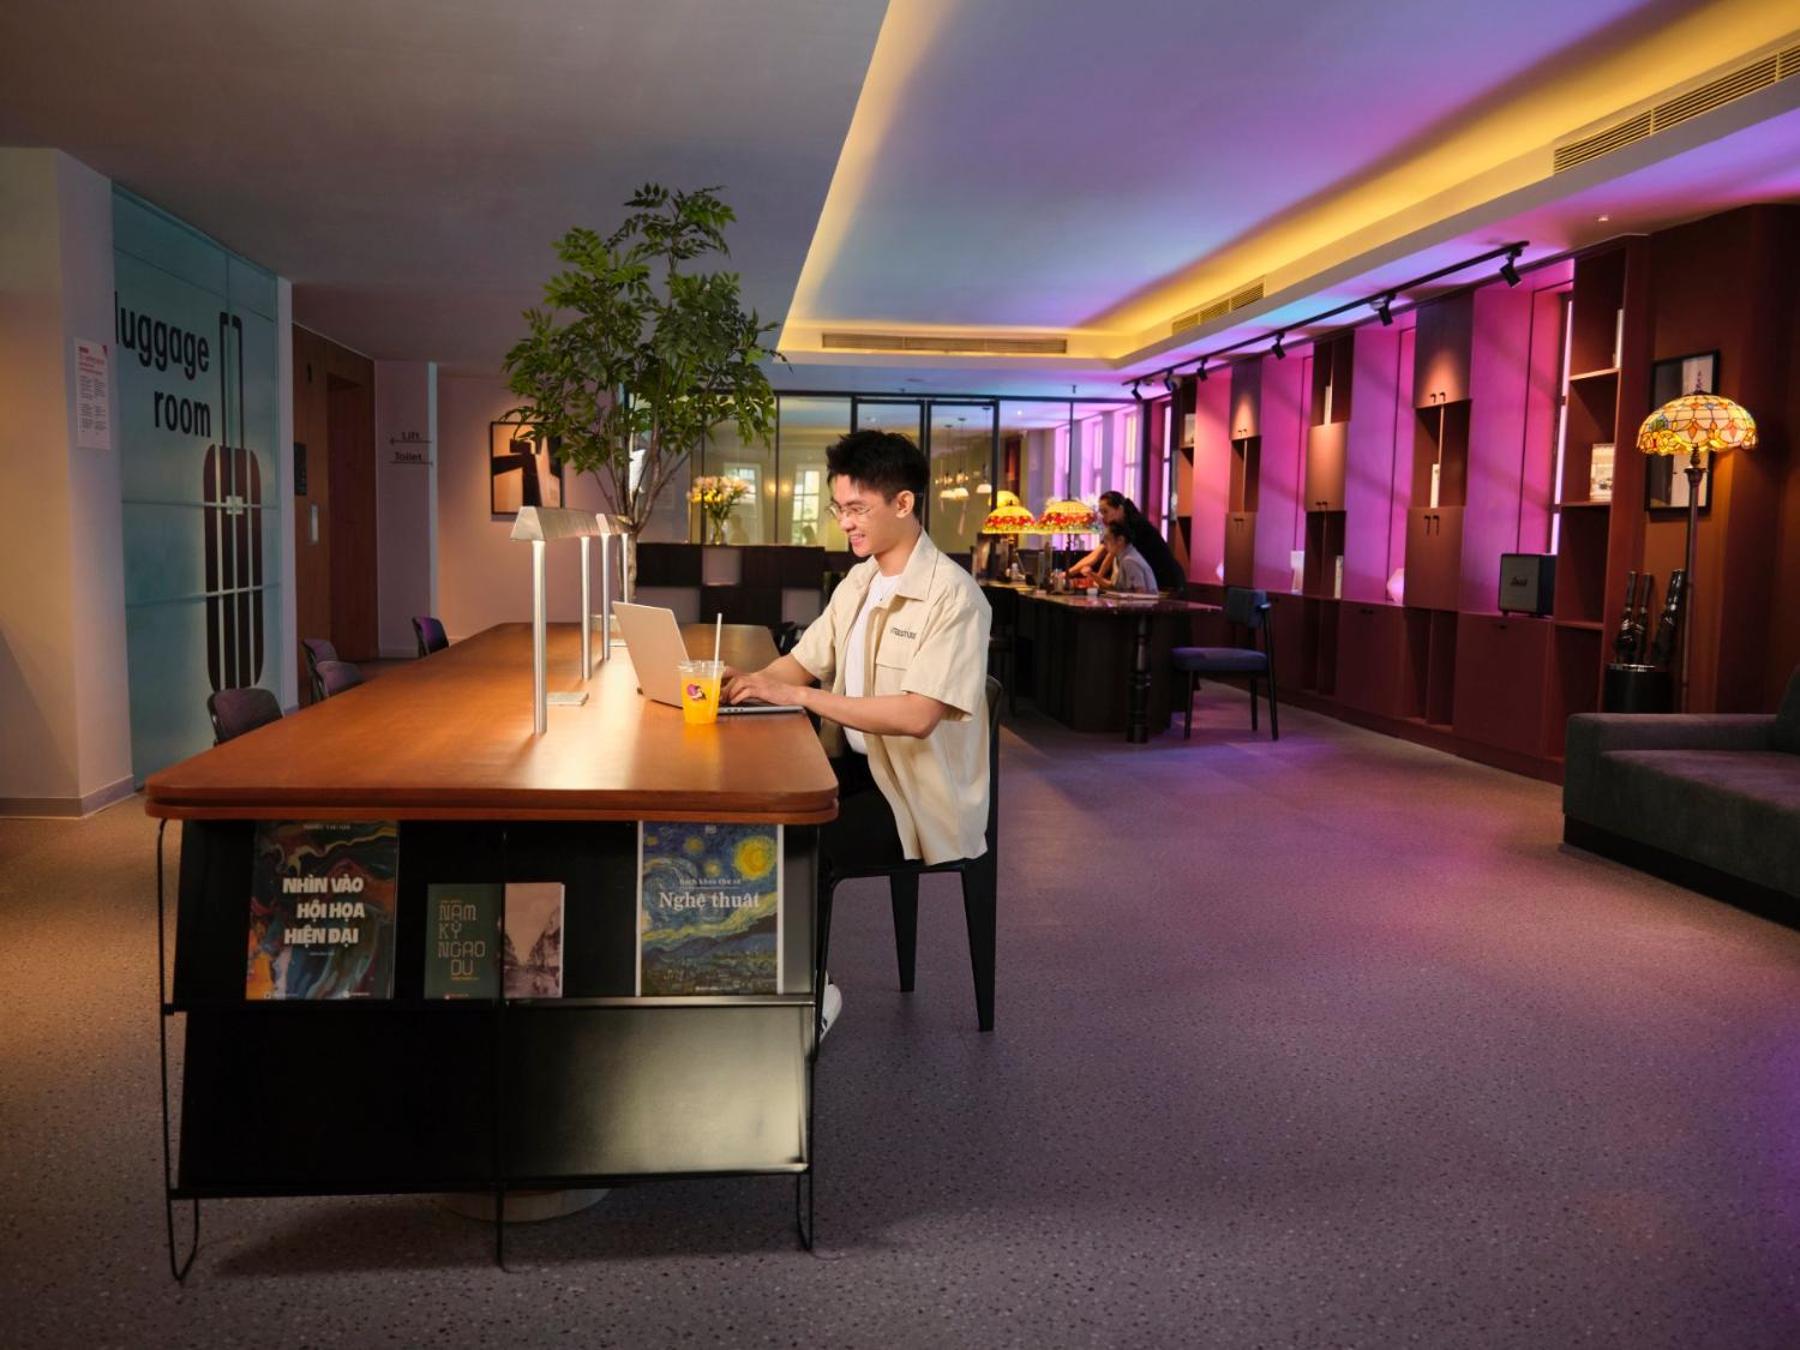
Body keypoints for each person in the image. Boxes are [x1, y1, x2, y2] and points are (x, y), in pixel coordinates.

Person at [723, 430, 993, 1036]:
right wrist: (743, 683)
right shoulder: (861, 581)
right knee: (765, 811)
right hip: (863, 768)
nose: (844, 522)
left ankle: (810, 998)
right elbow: (803, 662)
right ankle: (762, 983)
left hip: (920, 798)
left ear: (904, 503)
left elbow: (916, 716)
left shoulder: (955, 598)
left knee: (802, 840)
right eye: (838, 508)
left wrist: (799, 696)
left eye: (856, 509)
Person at [1068, 492, 1185, 592]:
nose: (1103, 517)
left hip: (1167, 580)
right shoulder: (1119, 528)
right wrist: (1093, 577)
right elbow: (1100, 554)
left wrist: (1096, 577)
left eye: (1105, 511)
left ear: (1120, 509)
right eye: (1101, 513)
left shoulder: (1135, 526)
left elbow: (1105, 554)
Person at [1094, 521, 1156, 594]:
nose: (1104, 543)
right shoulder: (1125, 556)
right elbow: (1117, 588)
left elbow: (1140, 593)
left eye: (1107, 538)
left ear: (1120, 540)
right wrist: (1092, 575)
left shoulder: (1129, 561)